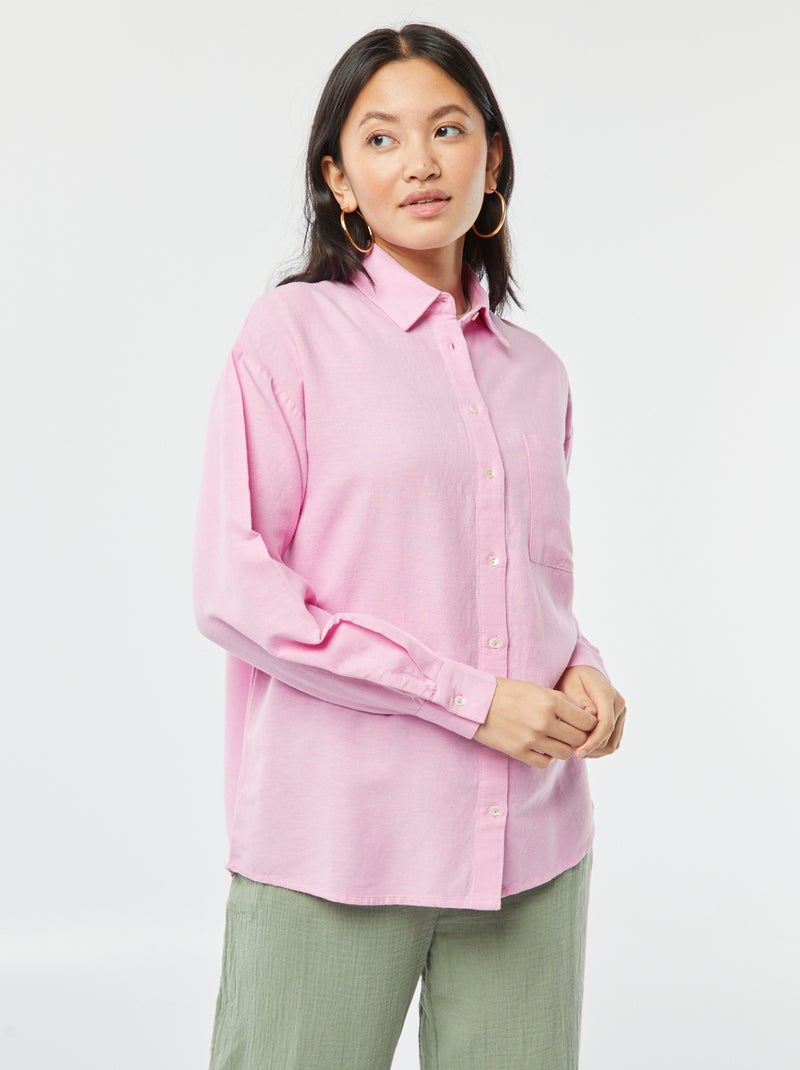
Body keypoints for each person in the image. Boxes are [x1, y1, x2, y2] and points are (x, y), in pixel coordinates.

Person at [192, 22, 626, 1070]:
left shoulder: (536, 371)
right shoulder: (290, 336)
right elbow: (236, 591)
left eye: (448, 129)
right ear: (339, 180)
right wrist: (469, 700)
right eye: (381, 139)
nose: (421, 161)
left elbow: (535, 583)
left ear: (493, 160)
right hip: (339, 844)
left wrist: (584, 668)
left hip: (530, 845)